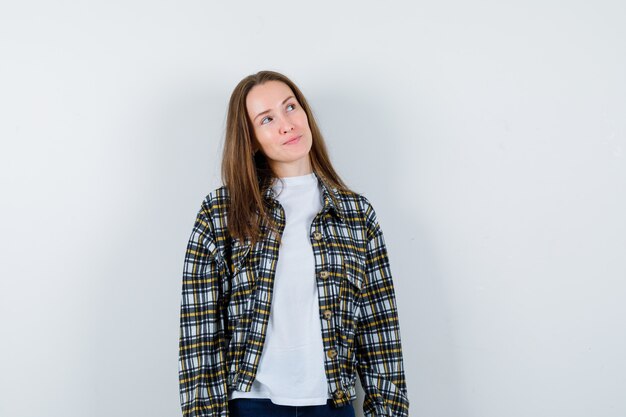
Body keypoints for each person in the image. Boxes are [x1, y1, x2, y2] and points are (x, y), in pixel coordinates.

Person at [178, 70, 409, 417]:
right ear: (252, 139)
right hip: (252, 405)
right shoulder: (221, 212)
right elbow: (200, 334)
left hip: (334, 405)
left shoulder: (358, 215)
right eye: (267, 118)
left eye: (290, 107)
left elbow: (380, 333)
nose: (286, 124)